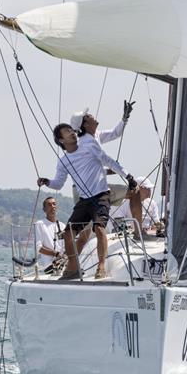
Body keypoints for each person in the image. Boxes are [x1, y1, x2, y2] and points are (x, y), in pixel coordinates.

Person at [38, 123, 136, 280]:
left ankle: (101, 266)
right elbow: (58, 183)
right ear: (61, 140)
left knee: (99, 229)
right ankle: (73, 267)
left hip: (101, 194)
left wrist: (128, 176)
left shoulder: (89, 147)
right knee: (68, 233)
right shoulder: (63, 161)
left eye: (71, 130)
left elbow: (109, 161)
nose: (72, 132)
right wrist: (47, 181)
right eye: (67, 132)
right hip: (84, 200)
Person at [69, 102, 140, 223]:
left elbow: (115, 133)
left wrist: (125, 118)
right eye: (88, 115)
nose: (92, 115)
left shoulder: (94, 136)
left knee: (85, 231)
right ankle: (139, 233)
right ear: (85, 124)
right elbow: (107, 160)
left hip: (85, 189)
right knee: (135, 192)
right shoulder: (87, 143)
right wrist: (128, 176)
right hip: (91, 191)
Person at [34, 196, 66, 269]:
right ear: (44, 209)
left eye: (54, 204)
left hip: (64, 263)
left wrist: (64, 256)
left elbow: (66, 246)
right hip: (50, 266)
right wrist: (55, 254)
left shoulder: (62, 225)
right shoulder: (40, 224)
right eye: (49, 205)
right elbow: (38, 247)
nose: (52, 206)